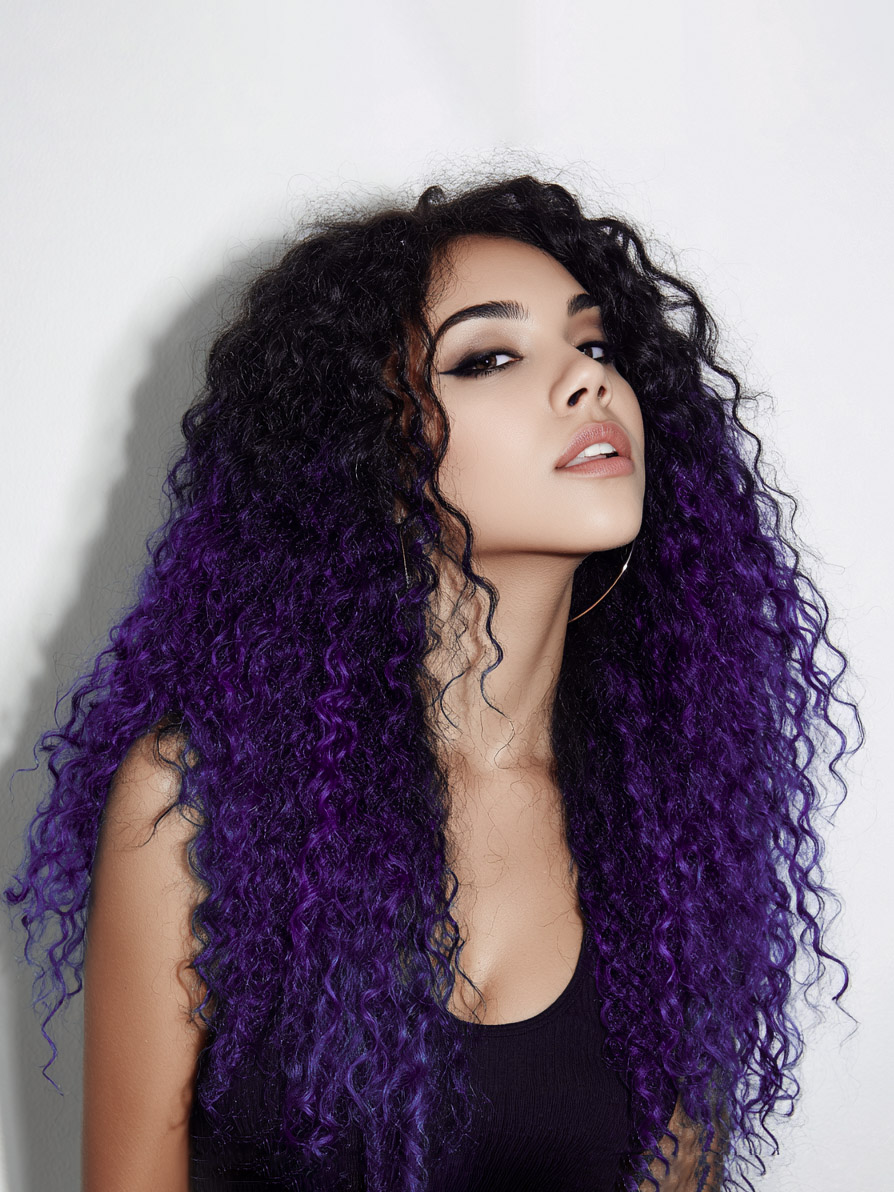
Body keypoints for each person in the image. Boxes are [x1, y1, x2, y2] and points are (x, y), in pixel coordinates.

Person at [5, 175, 862, 1192]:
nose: (587, 382)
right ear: (367, 452)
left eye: (595, 346)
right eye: (489, 357)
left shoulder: (672, 820)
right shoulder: (198, 803)